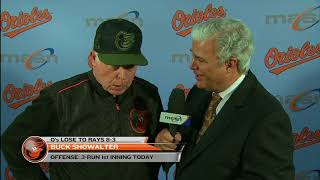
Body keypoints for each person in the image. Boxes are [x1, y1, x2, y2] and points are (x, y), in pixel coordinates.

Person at [2, 19, 163, 180]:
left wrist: (167, 139)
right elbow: (13, 142)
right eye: (113, 65)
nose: (121, 76)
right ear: (93, 59)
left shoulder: (149, 94)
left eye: (129, 66)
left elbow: (163, 143)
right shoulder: (60, 98)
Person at [155, 17, 294, 180]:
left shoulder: (267, 117)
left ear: (230, 64)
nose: (192, 65)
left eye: (200, 60)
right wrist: (164, 134)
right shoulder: (200, 92)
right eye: (193, 57)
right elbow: (185, 123)